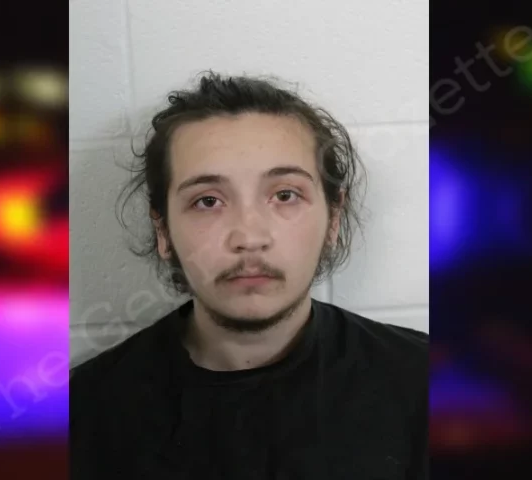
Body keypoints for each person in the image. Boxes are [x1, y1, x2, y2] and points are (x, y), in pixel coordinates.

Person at [70, 71, 428, 479]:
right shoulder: (83, 415)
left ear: (333, 219)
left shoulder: (426, 387)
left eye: (285, 195)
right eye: (208, 201)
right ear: (163, 230)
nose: (249, 237)